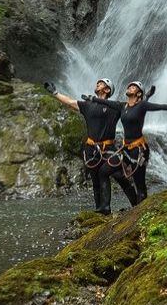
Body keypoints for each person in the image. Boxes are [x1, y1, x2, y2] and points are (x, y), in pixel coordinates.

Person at [89, 81, 167, 203]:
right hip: (125, 149)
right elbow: (107, 102)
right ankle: (107, 207)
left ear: (138, 93)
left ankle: (139, 213)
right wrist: (93, 99)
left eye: (133, 87)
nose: (129, 87)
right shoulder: (123, 106)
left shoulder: (142, 106)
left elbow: (158, 106)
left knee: (140, 185)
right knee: (104, 171)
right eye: (129, 86)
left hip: (138, 151)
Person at [43, 77, 134, 214]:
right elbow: (70, 102)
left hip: (109, 150)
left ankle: (137, 204)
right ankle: (101, 210)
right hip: (91, 149)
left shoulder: (115, 107)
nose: (98, 84)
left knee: (120, 177)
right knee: (96, 179)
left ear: (107, 90)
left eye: (101, 83)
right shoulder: (87, 105)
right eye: (97, 83)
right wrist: (55, 93)